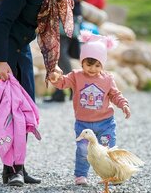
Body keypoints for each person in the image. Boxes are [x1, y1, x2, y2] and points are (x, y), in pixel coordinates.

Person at [0, 0, 88, 186]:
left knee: (25, 105)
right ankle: (11, 169)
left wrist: (52, 64)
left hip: (21, 43)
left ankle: (19, 167)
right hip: (0, 42)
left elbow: (46, 30)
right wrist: (0, 60)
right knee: (10, 108)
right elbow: (4, 19)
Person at [48, 30, 132, 185]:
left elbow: (115, 95)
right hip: (83, 124)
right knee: (82, 151)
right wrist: (55, 79)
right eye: (89, 64)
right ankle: (80, 176)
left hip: (105, 123)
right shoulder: (76, 76)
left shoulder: (107, 78)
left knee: (109, 151)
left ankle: (114, 174)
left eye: (97, 65)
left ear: (102, 64)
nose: (92, 69)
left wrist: (124, 104)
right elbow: (63, 83)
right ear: (82, 62)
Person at [44, 0, 90, 102]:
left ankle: (70, 87)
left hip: (69, 16)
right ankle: (62, 90)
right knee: (58, 54)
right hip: (57, 15)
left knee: (59, 54)